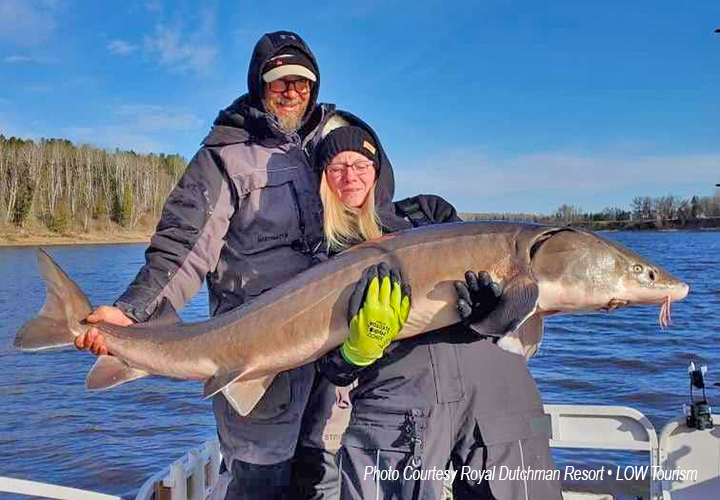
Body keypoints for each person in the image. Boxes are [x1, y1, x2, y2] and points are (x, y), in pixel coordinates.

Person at [74, 30, 344, 500]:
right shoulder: (223, 156)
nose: (291, 92)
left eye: (302, 83)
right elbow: (184, 246)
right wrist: (132, 313)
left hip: (329, 354)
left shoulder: (327, 148)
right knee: (261, 480)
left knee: (323, 477)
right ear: (259, 86)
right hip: (252, 354)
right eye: (280, 82)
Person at [292, 124, 563, 500]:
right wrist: (354, 353)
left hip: (491, 383)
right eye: (336, 168)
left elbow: (504, 296)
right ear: (322, 179)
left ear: (378, 168)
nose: (349, 176)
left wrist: (491, 310)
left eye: (360, 164)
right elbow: (324, 366)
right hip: (397, 394)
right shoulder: (321, 255)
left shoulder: (428, 212)